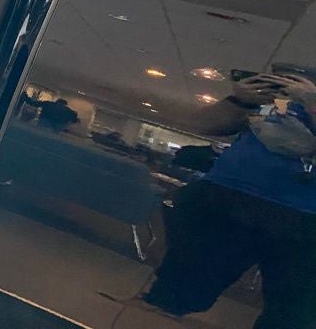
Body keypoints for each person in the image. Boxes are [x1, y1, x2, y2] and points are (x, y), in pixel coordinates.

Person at [125, 70, 316, 328]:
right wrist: (240, 100)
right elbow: (205, 126)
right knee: (179, 287)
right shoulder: (276, 105)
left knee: (293, 312)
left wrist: (312, 104)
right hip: (227, 196)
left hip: (305, 217)